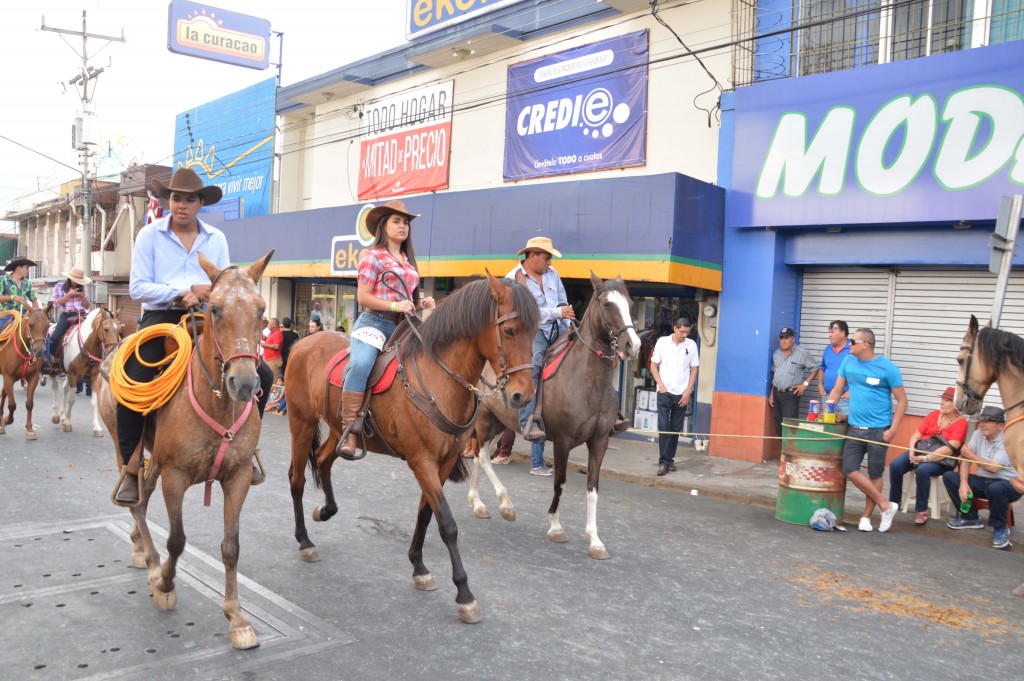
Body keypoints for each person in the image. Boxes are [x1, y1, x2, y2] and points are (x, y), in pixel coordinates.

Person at [113, 167, 273, 505]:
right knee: (134, 379)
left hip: (208, 317)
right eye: (175, 198)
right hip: (161, 318)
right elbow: (138, 287)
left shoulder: (215, 239)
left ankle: (247, 448)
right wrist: (182, 290)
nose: (181, 204)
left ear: (201, 203)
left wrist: (208, 295)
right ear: (168, 200)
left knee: (264, 373)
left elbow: (226, 285)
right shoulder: (150, 236)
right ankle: (131, 469)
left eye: (189, 199)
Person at [338, 199, 435, 460]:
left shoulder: (407, 260)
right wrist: (395, 305)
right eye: (397, 221)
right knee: (361, 364)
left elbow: (408, 301)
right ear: (384, 226)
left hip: (405, 324)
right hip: (375, 323)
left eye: (405, 222)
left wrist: (420, 303)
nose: (403, 226)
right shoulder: (373, 257)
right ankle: (350, 429)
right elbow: (363, 297)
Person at [827, 327, 907, 532]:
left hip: (878, 429)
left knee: (875, 473)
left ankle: (866, 517)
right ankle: (885, 505)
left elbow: (902, 401)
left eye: (853, 342)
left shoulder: (887, 368)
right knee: (849, 469)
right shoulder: (848, 362)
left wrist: (893, 430)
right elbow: (837, 390)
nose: (849, 345)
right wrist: (827, 410)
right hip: (854, 427)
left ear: (866, 345)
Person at [507, 236, 574, 476]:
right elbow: (526, 312)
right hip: (531, 331)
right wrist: (558, 312)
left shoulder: (552, 275)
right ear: (532, 255)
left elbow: (564, 303)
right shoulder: (514, 278)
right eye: (546, 257)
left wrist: (569, 326)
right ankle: (529, 421)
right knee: (533, 366)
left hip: (557, 329)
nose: (549, 262)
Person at [943, 406, 1024, 549]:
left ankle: (1000, 528)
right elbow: (965, 459)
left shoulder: (1007, 439)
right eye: (981, 421)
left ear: (1000, 425)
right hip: (984, 481)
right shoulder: (978, 434)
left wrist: (971, 455)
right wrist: (963, 483)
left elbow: (993, 468)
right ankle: (970, 518)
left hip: (1009, 484)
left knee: (996, 488)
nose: (982, 424)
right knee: (950, 477)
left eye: (988, 421)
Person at [886, 387, 967, 524]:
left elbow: (950, 449)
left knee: (923, 470)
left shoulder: (962, 423)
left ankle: (922, 510)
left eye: (946, 400)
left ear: (956, 405)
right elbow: (915, 437)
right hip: (920, 451)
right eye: (942, 399)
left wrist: (925, 459)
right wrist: (912, 454)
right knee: (895, 465)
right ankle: (895, 501)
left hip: (942, 460)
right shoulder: (933, 415)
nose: (941, 403)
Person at [649, 318, 700, 476]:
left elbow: (694, 369)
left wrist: (689, 391)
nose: (685, 335)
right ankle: (664, 462)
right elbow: (653, 365)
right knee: (664, 428)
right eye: (682, 331)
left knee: (675, 429)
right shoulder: (662, 342)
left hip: (682, 394)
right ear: (675, 329)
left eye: (687, 332)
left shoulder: (691, 345)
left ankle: (669, 459)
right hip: (665, 392)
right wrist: (661, 385)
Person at [768, 326, 818, 436]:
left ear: (793, 339)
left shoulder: (802, 353)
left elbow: (815, 369)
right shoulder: (776, 353)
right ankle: (783, 450)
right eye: (781, 338)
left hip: (791, 394)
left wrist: (804, 384)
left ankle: (789, 451)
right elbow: (775, 374)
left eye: (786, 338)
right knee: (778, 423)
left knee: (790, 425)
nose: (783, 341)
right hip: (777, 393)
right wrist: (772, 393)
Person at [48, 266, 92, 367]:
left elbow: (87, 306)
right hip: (66, 314)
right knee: (55, 337)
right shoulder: (59, 286)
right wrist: (69, 295)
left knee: (91, 334)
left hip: (81, 314)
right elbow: (57, 303)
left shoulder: (84, 288)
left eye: (78, 280)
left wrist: (84, 297)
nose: (76, 282)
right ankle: (53, 359)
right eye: (74, 279)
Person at [817, 320, 851, 420]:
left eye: (832, 332)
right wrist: (820, 385)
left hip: (845, 399)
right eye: (829, 332)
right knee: (829, 427)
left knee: (845, 428)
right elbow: (822, 367)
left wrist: (852, 390)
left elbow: (861, 372)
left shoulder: (852, 349)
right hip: (827, 397)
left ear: (843, 333)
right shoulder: (828, 349)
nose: (829, 335)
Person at [0, 257, 40, 333]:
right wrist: (12, 297)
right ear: (18, 268)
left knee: (44, 336)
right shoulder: (3, 280)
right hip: (7, 314)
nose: (29, 271)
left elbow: (34, 300)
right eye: (27, 268)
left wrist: (36, 314)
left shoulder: (27, 283)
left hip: (24, 315)